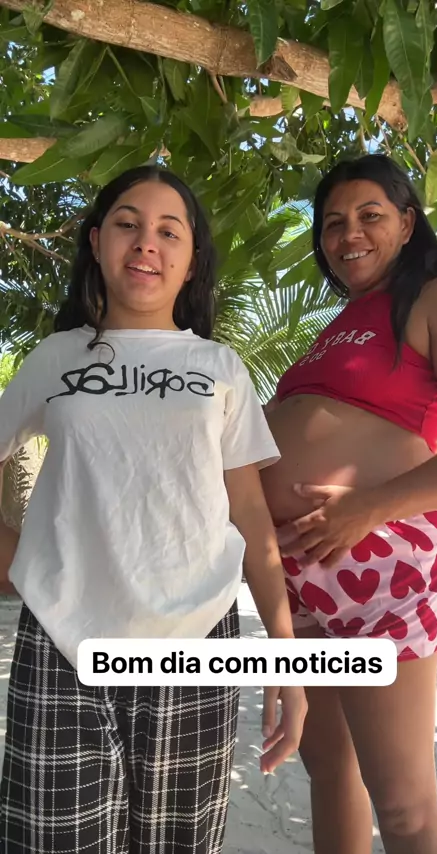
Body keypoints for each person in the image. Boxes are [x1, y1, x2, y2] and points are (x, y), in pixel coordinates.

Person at [0, 165, 307, 854]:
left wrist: (285, 656)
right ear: (96, 242)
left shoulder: (222, 369)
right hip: (64, 643)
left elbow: (251, 518)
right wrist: (14, 557)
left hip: (197, 643)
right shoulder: (54, 359)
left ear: (191, 259)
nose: (146, 243)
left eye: (170, 231)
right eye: (127, 224)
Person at [260, 153, 437, 854]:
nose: (347, 234)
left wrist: (370, 507)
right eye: (332, 223)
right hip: (298, 573)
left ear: (408, 223)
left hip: (380, 561)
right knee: (330, 773)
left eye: (369, 215)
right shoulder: (342, 322)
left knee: (405, 804)